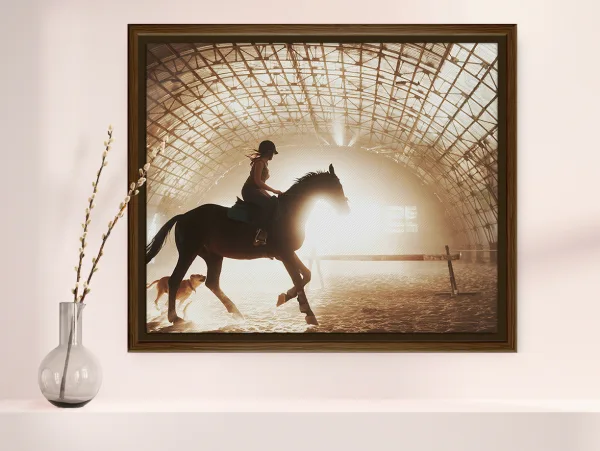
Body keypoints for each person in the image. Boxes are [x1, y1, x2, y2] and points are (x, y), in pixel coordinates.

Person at [241, 140, 283, 245]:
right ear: (268, 152)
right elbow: (258, 182)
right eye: (272, 153)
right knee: (269, 205)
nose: (273, 155)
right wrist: (274, 191)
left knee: (274, 202)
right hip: (250, 190)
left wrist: (271, 196)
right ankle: (261, 235)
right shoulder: (259, 163)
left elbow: (260, 187)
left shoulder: (264, 163)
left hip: (256, 190)